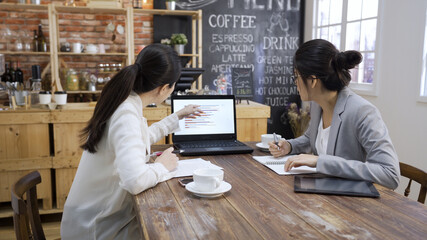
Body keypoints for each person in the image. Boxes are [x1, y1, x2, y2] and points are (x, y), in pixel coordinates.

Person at [61, 44, 202, 239]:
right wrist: (162, 166)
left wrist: (177, 117)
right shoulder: (126, 114)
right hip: (95, 226)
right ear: (163, 89)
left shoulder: (127, 101)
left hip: (97, 213)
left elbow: (140, 137)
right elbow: (135, 181)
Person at [269, 39, 400, 189]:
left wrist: (320, 161)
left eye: (296, 77)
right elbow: (312, 137)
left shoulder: (363, 112)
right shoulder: (318, 104)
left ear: (312, 81)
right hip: (324, 195)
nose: (295, 83)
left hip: (351, 204)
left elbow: (390, 174)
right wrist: (289, 146)